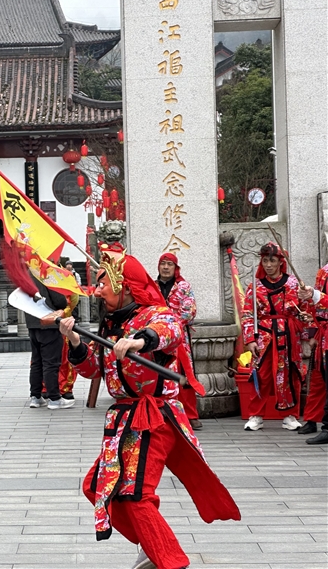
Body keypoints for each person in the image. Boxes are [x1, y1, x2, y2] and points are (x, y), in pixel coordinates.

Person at [58, 243, 239, 569]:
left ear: (125, 286)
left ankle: (170, 560)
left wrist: (140, 341)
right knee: (96, 485)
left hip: (154, 417)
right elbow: (95, 370)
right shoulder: (110, 324)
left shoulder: (155, 313)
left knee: (135, 494)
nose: (97, 291)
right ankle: (151, 544)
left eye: (103, 283)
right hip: (123, 419)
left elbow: (170, 331)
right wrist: (73, 340)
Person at [241, 242, 309, 432]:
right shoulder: (254, 286)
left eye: (272, 260)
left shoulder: (294, 284)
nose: (268, 265)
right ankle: (255, 415)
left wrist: (307, 331)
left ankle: (290, 415)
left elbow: (305, 310)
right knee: (260, 375)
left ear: (281, 262)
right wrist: (250, 340)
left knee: (290, 374)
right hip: (264, 336)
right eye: (265, 261)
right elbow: (247, 314)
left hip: (289, 336)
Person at [156, 252, 202, 430]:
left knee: (185, 374)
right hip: (157, 337)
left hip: (179, 337)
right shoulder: (152, 286)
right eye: (163, 264)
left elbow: (189, 311)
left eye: (170, 264)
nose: (166, 267)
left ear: (176, 268)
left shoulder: (183, 286)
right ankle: (162, 413)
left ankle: (190, 415)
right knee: (159, 373)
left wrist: (170, 324)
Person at [26, 278, 75, 410]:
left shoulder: (28, 274)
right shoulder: (46, 274)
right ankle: (54, 398)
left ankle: (35, 396)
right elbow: (59, 300)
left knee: (37, 362)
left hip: (32, 323)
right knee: (51, 363)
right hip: (49, 323)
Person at [298, 279, 328, 444]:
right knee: (318, 379)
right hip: (323, 334)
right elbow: (314, 306)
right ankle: (312, 419)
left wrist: (315, 295)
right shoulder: (323, 273)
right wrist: (313, 333)